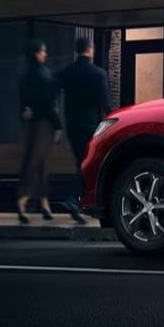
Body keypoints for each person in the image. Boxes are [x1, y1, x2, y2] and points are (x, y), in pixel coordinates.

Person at [55, 37, 111, 224]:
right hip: (92, 126)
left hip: (72, 125)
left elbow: (52, 91)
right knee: (88, 163)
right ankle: (76, 199)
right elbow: (106, 105)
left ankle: (79, 200)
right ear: (90, 49)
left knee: (82, 162)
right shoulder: (99, 74)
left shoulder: (67, 72)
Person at [16, 39, 63, 224]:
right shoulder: (43, 75)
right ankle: (23, 199)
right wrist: (58, 125)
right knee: (37, 162)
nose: (46, 54)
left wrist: (25, 112)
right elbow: (48, 103)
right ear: (36, 53)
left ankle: (44, 203)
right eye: (43, 51)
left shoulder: (26, 75)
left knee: (40, 162)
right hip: (44, 125)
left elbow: (24, 103)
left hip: (31, 125)